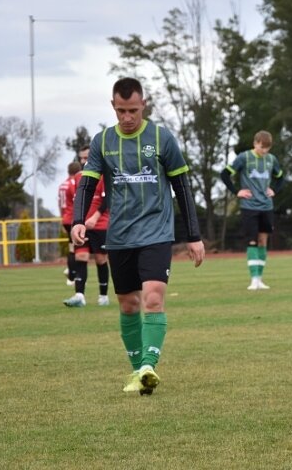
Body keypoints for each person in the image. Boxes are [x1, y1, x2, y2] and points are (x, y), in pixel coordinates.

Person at [71, 77, 205, 395]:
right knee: (128, 305)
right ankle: (137, 372)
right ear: (113, 107)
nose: (127, 118)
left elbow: (182, 187)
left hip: (157, 233)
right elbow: (87, 184)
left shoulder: (161, 137)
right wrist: (78, 220)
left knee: (154, 299)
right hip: (119, 237)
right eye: (121, 111)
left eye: (133, 110)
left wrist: (193, 235)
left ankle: (149, 366)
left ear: (143, 104)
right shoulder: (103, 141)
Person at [221, 130, 285, 290]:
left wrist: (274, 190)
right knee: (252, 241)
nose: (264, 151)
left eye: (267, 148)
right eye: (262, 147)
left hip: (266, 206)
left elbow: (281, 177)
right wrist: (237, 192)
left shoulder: (271, 159)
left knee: (263, 241)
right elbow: (225, 174)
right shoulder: (244, 157)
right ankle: (253, 279)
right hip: (249, 207)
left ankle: (260, 279)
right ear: (255, 143)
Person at [63, 170, 110, 307]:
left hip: (99, 225)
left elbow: (107, 199)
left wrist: (95, 218)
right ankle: (79, 295)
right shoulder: (78, 177)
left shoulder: (104, 176)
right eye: (82, 158)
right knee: (81, 257)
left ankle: (103, 295)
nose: (84, 160)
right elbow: (77, 199)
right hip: (82, 225)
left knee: (101, 259)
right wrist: (77, 220)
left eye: (86, 157)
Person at [59, 161, 82, 286]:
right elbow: (78, 200)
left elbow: (60, 204)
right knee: (76, 249)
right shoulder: (74, 183)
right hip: (73, 219)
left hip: (65, 218)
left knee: (71, 247)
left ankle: (70, 271)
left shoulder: (62, 184)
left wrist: (62, 218)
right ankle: (72, 276)